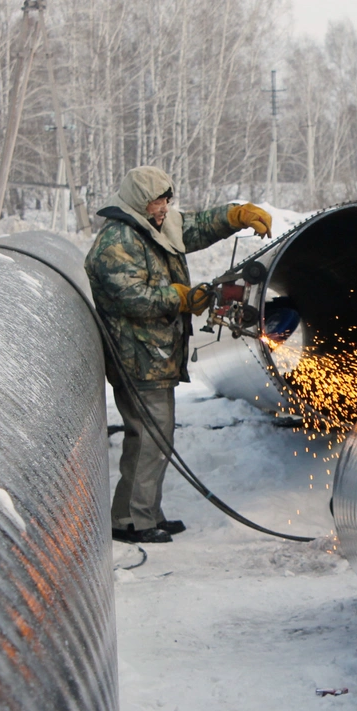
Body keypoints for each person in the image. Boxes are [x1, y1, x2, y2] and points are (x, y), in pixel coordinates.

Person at [85, 166, 272, 544]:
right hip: (136, 355)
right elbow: (133, 297)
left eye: (167, 200)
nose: (165, 208)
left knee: (158, 436)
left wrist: (235, 215)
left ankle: (146, 511)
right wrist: (182, 297)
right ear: (140, 201)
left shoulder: (154, 227)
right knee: (149, 436)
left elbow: (197, 226)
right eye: (158, 201)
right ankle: (131, 520)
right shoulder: (117, 243)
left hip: (156, 353)